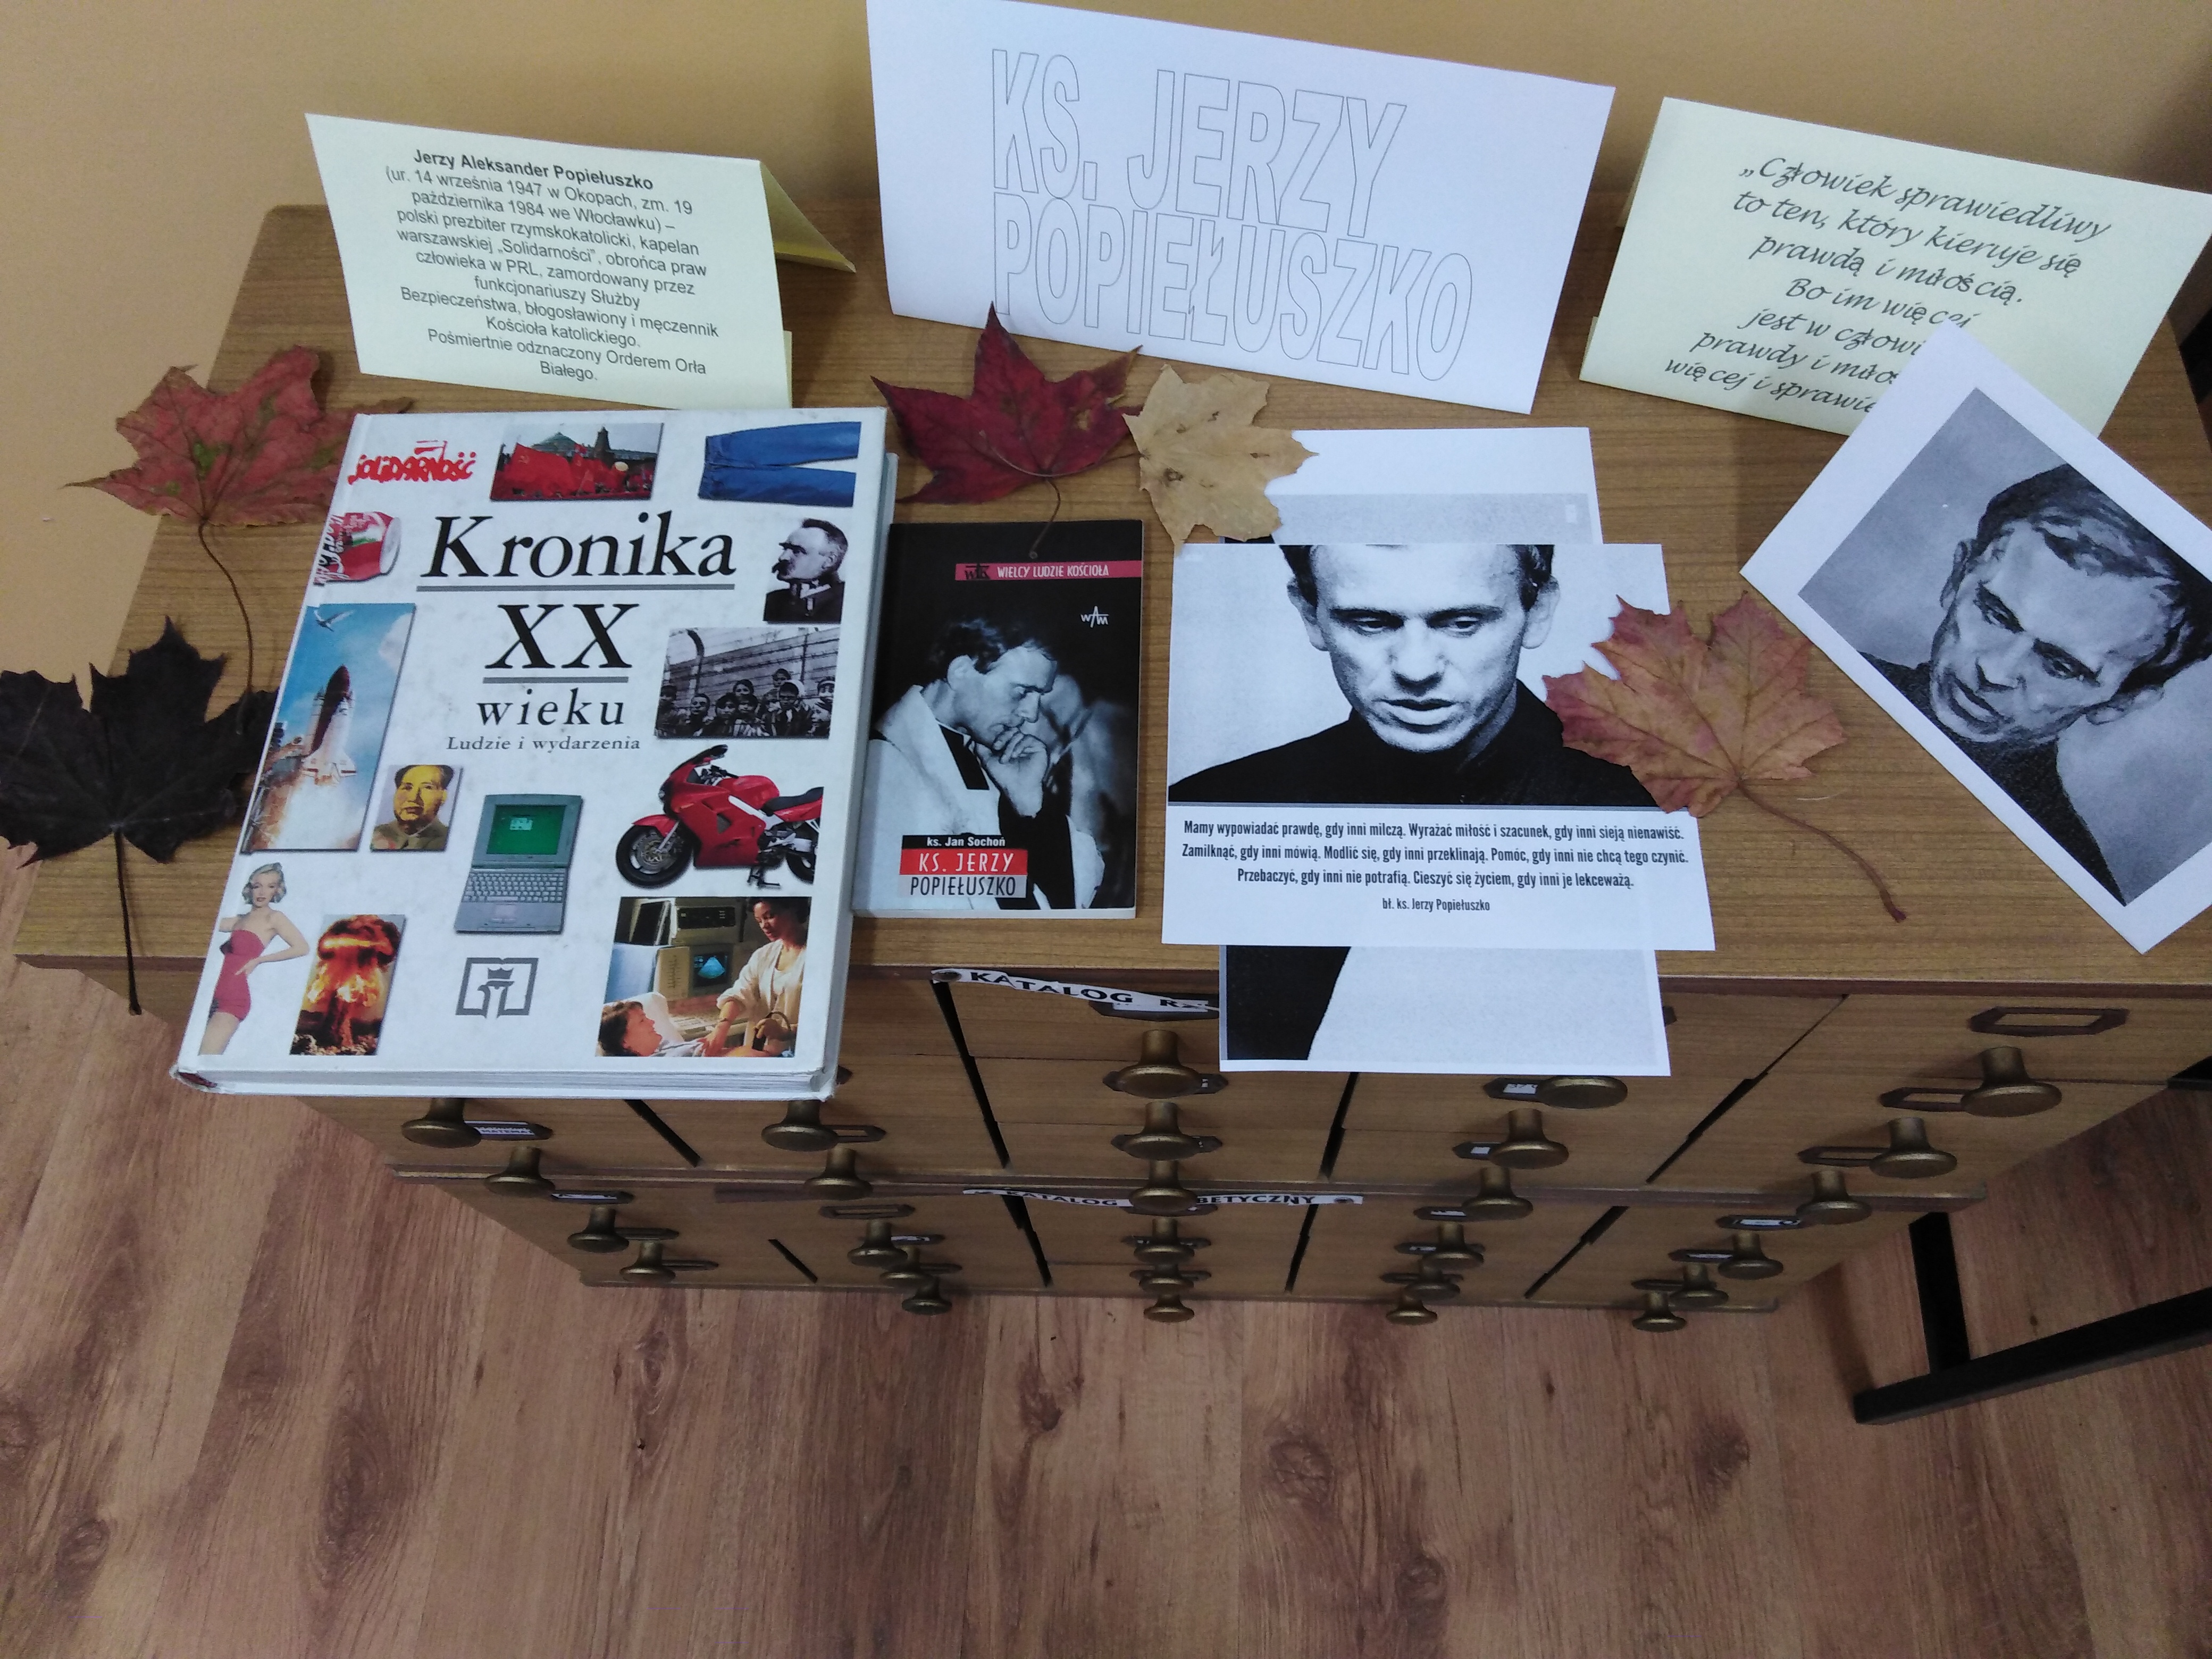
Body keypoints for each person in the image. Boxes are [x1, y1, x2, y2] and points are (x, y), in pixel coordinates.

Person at [1864, 465, 2212, 901]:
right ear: (1958, 578)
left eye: (2060, 666)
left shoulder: (2069, 887)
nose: (1996, 673)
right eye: (1996, 614)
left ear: (2120, 703)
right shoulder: (1813, 671)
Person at [1170, 543, 1655, 808]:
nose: (1416, 670)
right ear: (1309, 615)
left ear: (1539, 611)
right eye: (1370, 623)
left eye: (1462, 623)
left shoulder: (1652, 800)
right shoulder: (1212, 803)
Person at [859, 615, 1100, 909]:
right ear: (961, 671)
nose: (1032, 714)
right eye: (1022, 692)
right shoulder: (883, 765)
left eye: (1039, 697)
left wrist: (1031, 807)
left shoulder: (990, 757)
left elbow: (1082, 884)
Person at [198, 862, 308, 1054]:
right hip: (211, 994)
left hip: (233, 999)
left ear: (277, 890)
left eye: (270, 886)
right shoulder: (238, 920)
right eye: (258, 886)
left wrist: (259, 960)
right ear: (250, 888)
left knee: (205, 1056)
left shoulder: (274, 918)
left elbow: (302, 948)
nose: (262, 892)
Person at [706, 897, 810, 1055]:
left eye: (770, 916)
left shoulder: (819, 955)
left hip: (798, 1053)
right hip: (760, 1052)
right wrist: (720, 1029)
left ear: (794, 909)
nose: (764, 926)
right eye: (759, 920)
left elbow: (825, 1019)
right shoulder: (764, 955)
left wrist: (785, 1032)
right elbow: (740, 993)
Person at [763, 520, 847, 623]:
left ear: (829, 561)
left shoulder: (845, 601)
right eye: (785, 549)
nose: (783, 557)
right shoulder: (772, 600)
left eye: (797, 551)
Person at [369, 764, 455, 851]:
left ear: (443, 796)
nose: (413, 798)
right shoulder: (371, 835)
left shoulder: (452, 840)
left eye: (427, 787)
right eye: (407, 788)